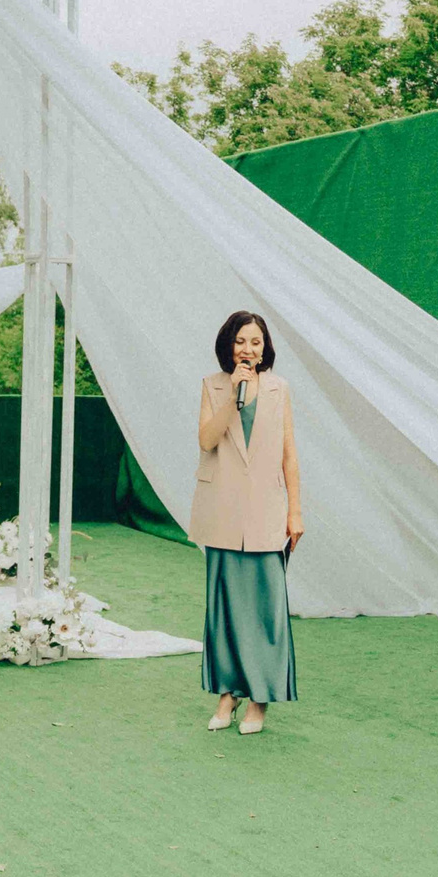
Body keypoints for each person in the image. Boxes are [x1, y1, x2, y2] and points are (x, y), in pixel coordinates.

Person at [191, 309, 301, 733]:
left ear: (265, 346)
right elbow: (206, 439)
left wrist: (295, 510)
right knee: (225, 608)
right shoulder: (213, 386)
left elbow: (290, 455)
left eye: (255, 342)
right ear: (228, 345)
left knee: (265, 608)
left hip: (267, 512)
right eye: (241, 341)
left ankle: (260, 699)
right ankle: (228, 693)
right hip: (222, 511)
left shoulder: (279, 389)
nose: (248, 349)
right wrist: (231, 393)